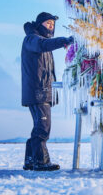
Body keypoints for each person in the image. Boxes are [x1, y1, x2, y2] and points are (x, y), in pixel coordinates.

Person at [21, 12, 73, 171]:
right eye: (47, 23)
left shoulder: (41, 41)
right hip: (38, 91)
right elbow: (42, 45)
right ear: (39, 24)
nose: (51, 26)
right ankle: (41, 161)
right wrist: (66, 41)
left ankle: (30, 160)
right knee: (43, 128)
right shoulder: (32, 39)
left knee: (39, 126)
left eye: (52, 24)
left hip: (41, 91)